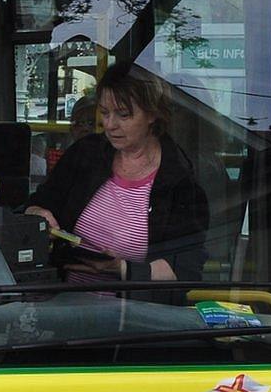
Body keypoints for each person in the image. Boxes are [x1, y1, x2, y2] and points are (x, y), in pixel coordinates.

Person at [24, 64, 210, 283]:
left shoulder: (178, 180)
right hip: (65, 303)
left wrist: (121, 268)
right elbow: (37, 203)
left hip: (133, 312)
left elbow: (185, 269)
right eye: (104, 113)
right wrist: (38, 214)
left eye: (123, 115)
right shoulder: (85, 154)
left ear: (152, 114)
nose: (110, 125)